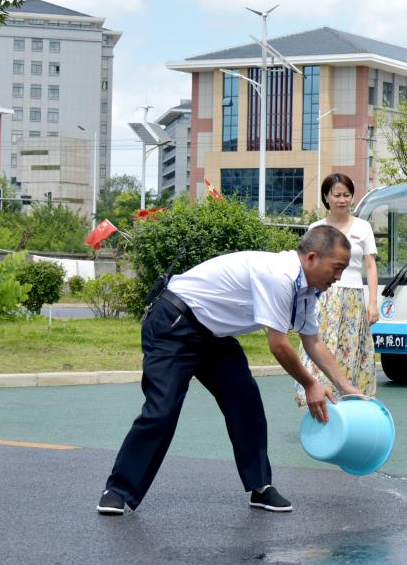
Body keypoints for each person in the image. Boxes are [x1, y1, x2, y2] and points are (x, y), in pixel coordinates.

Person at [96, 226, 356, 516]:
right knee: (162, 409)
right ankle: (118, 489)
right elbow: (279, 345)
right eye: (337, 268)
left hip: (214, 334)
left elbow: (313, 341)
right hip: (175, 323)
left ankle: (260, 486)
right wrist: (310, 384)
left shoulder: (308, 290)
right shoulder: (279, 276)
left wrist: (347, 387)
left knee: (245, 402)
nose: (338, 277)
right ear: (311, 258)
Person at [298, 173, 380, 403]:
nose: (342, 200)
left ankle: (349, 402)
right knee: (319, 345)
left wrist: (373, 302)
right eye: (337, 195)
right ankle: (318, 402)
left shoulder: (363, 227)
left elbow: (370, 266)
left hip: (353, 297)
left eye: (346, 195)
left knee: (351, 349)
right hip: (321, 296)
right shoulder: (316, 227)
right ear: (326, 197)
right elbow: (307, 265)